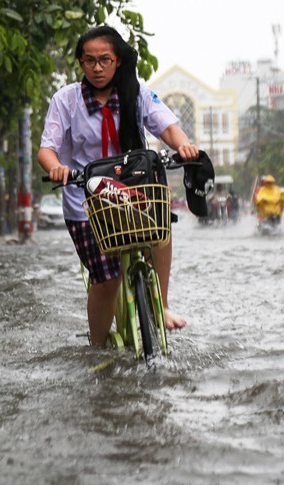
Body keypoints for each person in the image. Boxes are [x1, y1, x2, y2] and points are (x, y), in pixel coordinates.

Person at [37, 25, 199, 347]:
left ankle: (162, 305)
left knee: (160, 225)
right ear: (81, 63)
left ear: (118, 61)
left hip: (132, 191)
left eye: (105, 60)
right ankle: (96, 348)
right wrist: (56, 168)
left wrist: (184, 147)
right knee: (107, 280)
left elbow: (168, 127)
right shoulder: (65, 100)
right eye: (90, 61)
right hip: (86, 203)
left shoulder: (136, 93)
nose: (97, 68)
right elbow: (47, 148)